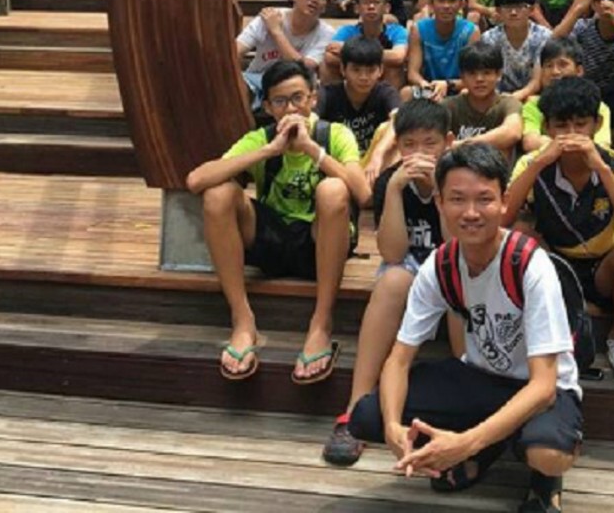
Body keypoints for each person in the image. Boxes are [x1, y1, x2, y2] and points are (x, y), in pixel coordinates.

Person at [347, 143, 583, 513]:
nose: (470, 212)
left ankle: (534, 475)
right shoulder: (440, 266)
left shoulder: (529, 264)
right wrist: (393, 428)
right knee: (368, 416)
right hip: (481, 378)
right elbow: (399, 359)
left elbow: (543, 386)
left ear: (504, 203)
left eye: (484, 199)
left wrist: (466, 443)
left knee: (548, 454)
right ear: (440, 203)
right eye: (457, 199)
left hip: (543, 391)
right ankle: (486, 444)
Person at [186, 60, 370, 384]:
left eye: (298, 98)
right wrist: (268, 152)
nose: (291, 109)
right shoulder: (262, 138)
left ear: (313, 98)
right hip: (273, 240)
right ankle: (243, 320)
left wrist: (312, 150)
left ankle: (321, 323)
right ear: (268, 107)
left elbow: (363, 193)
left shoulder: (334, 134)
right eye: (280, 101)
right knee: (218, 194)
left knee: (333, 190)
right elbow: (196, 180)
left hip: (319, 242)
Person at [323, 99, 456, 467]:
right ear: (397, 145)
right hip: (410, 264)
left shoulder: (459, 176)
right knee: (392, 280)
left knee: (460, 288)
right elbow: (393, 252)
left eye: (429, 143)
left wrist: (439, 192)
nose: (419, 153)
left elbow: (458, 245)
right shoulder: (389, 182)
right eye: (409, 144)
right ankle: (355, 408)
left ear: (447, 142)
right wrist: (396, 191)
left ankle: (465, 413)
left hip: (455, 262)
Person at [505, 77, 614, 389]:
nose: (571, 134)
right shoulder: (532, 163)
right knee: (518, 235)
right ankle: (532, 339)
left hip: (602, 269)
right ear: (546, 127)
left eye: (580, 124)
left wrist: (602, 170)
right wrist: (538, 164)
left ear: (597, 124)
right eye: (561, 125)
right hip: (553, 264)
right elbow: (502, 221)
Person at [237, 0, 334, 114]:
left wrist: (276, 32)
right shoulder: (270, 17)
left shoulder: (326, 33)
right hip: (257, 80)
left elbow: (302, 67)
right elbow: (236, 51)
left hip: (296, 84)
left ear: (325, 6)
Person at [521, 39, 612, 152]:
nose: (555, 72)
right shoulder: (534, 104)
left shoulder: (598, 106)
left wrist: (557, 144)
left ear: (579, 71)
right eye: (549, 66)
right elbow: (530, 143)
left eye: (562, 65)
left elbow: (602, 147)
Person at [317, 37, 401, 156]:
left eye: (371, 71)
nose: (363, 77)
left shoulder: (386, 92)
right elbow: (310, 120)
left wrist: (378, 154)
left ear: (381, 70)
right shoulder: (327, 94)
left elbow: (398, 118)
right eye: (356, 70)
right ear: (343, 69)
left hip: (375, 160)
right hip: (336, 161)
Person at [443, 41, 523, 158]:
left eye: (487, 73)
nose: (479, 79)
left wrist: (460, 145)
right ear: (462, 77)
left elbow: (512, 133)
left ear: (498, 75)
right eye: (472, 73)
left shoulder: (509, 103)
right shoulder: (449, 106)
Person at [405, 0, 479, 100]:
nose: (446, 6)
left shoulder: (471, 31)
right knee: (406, 92)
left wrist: (448, 84)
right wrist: (425, 85)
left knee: (466, 92)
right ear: (431, 4)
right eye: (441, 0)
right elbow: (412, 73)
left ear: (462, 3)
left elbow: (474, 76)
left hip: (457, 89)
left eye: (452, 1)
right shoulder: (418, 29)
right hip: (429, 89)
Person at [322, 0, 408, 86]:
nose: (371, 7)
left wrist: (350, 51)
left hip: (383, 81)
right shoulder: (347, 31)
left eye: (376, 2)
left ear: (387, 8)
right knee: (327, 65)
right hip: (353, 82)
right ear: (356, 8)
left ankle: (389, 97)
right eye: (366, 2)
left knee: (393, 67)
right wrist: (376, 58)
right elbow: (330, 57)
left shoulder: (397, 31)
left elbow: (398, 57)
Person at [481, 0, 552, 100]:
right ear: (498, 10)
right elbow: (488, 76)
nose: (513, 12)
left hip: (534, 97)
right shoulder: (489, 38)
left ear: (531, 9)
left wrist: (514, 97)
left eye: (520, 7)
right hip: (497, 97)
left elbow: (537, 81)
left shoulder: (544, 36)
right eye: (507, 7)